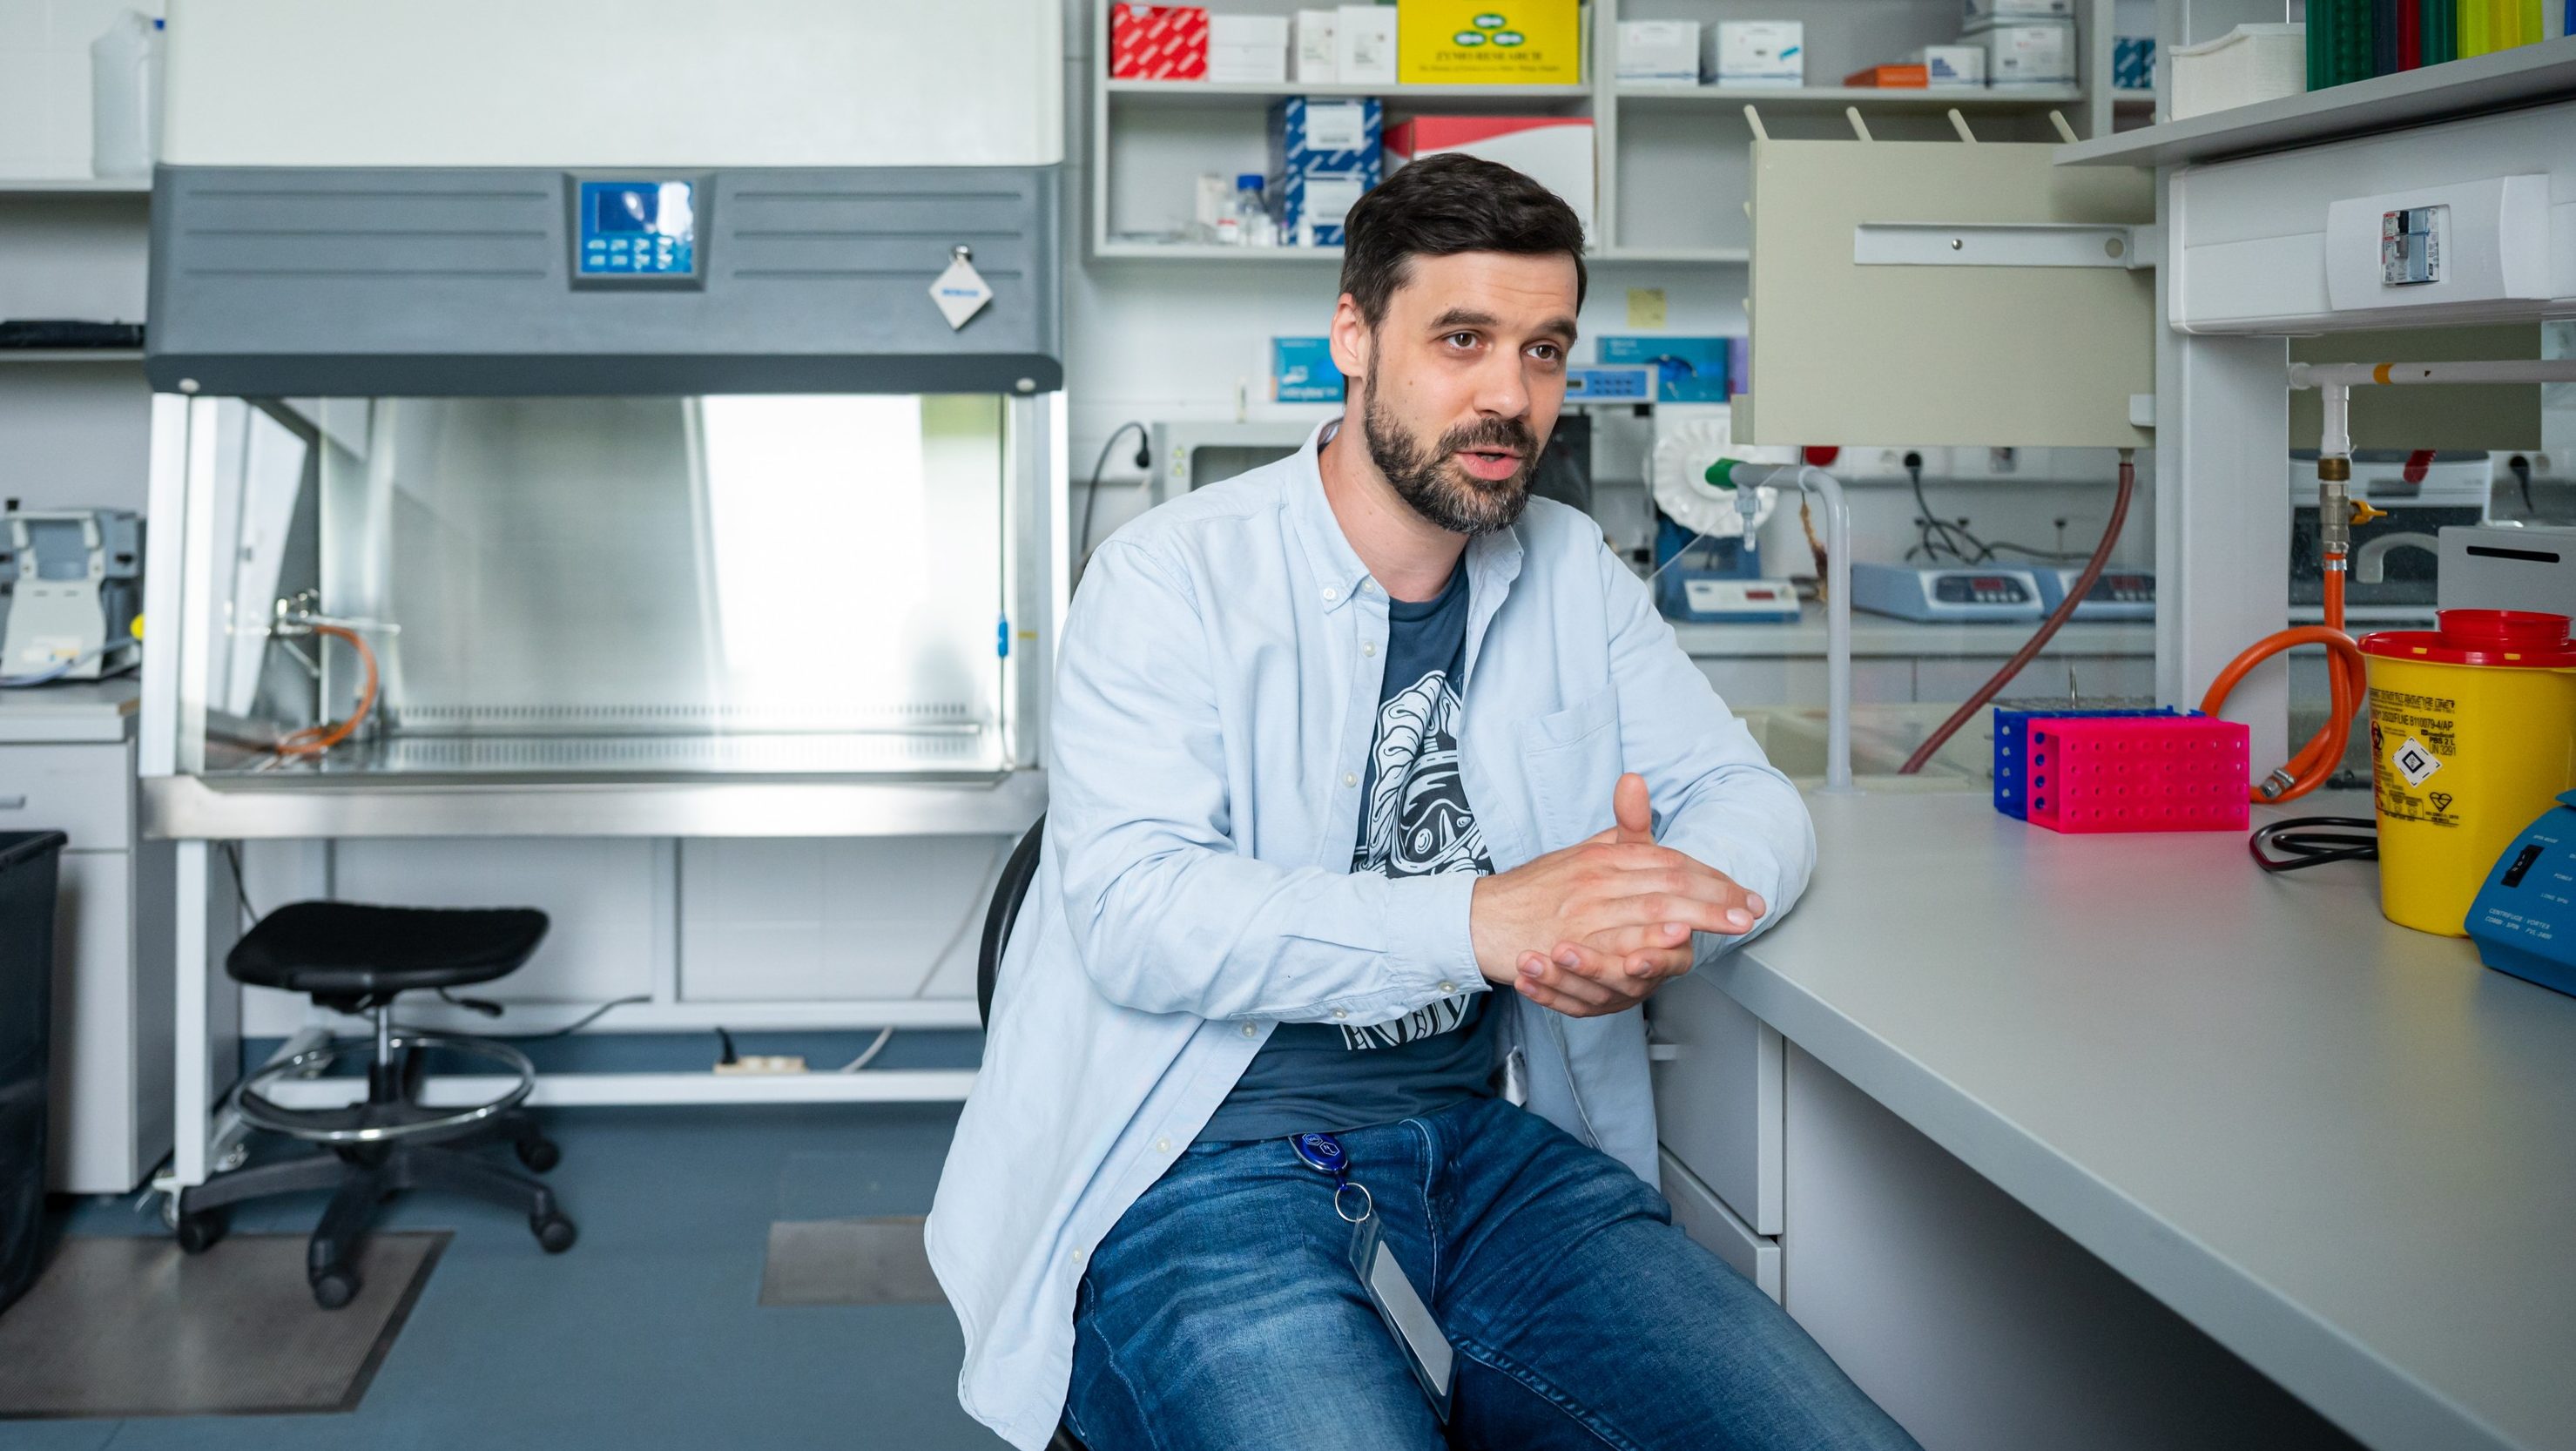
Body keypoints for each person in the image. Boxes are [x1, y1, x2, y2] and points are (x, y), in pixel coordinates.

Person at [928, 153, 1918, 1451]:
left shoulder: (1571, 571)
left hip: (1492, 1159)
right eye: (1462, 340)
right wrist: (1486, 917)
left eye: (1544, 350)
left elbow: (1744, 795)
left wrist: (1654, 919)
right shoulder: (1169, 576)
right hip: (1195, 1173)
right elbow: (1137, 912)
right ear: (1354, 334)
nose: (1509, 394)